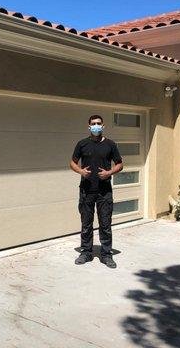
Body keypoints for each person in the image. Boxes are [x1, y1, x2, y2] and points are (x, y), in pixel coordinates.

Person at [69, 115, 123, 268]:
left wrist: (109, 173)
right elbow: (72, 162)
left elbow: (120, 164)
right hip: (86, 191)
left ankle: (106, 255)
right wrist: (81, 171)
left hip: (104, 191)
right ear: (89, 126)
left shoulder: (110, 145)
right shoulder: (82, 144)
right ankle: (86, 252)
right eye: (93, 124)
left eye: (99, 123)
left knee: (105, 224)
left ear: (103, 126)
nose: (96, 126)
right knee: (86, 224)